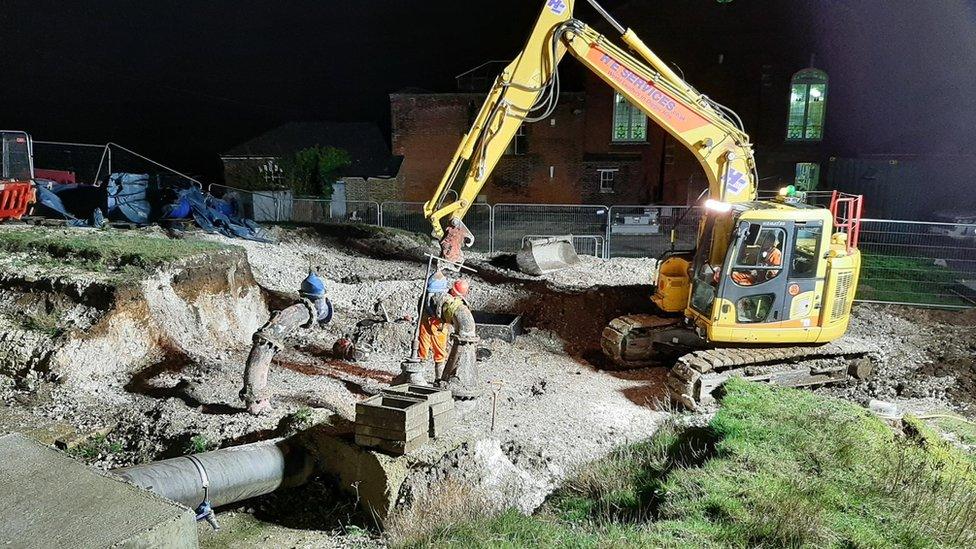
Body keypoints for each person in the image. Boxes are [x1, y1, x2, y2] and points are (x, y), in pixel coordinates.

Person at [240, 272, 333, 415]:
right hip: (268, 340)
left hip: (272, 336)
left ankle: (257, 400)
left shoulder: (300, 310)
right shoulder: (302, 311)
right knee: (264, 345)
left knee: (265, 344)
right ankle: (257, 402)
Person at [418, 274, 471, 382]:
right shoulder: (439, 296)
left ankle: (438, 378)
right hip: (428, 322)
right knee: (423, 350)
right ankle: (418, 376)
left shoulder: (453, 302)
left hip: (438, 325)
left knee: (439, 352)